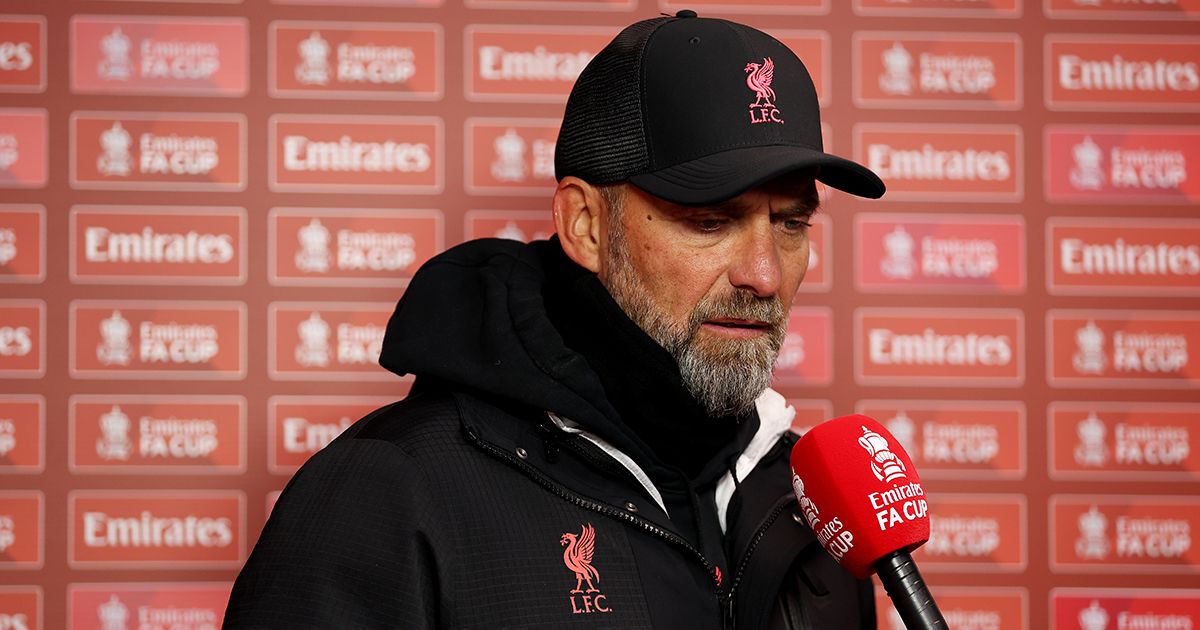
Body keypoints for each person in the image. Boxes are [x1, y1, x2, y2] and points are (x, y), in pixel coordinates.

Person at [225, 10, 885, 629]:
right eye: (710, 222)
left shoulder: (814, 499)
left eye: (791, 224)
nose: (765, 275)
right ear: (586, 225)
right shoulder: (389, 492)